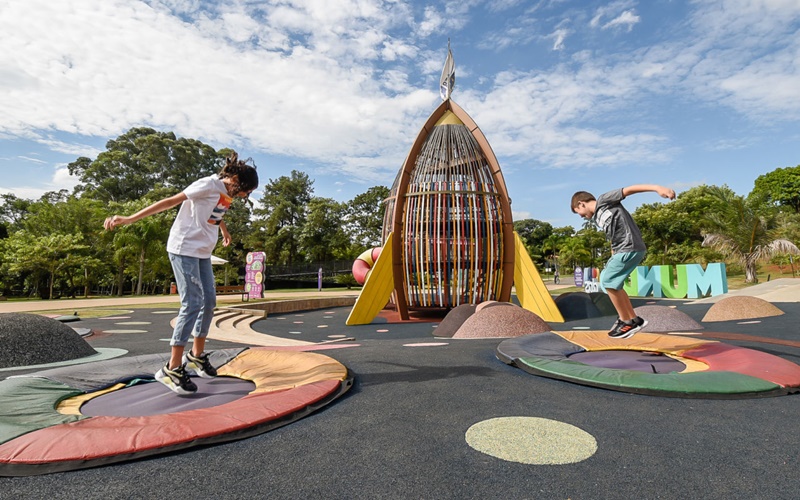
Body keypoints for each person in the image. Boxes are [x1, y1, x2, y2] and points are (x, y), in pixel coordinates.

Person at [104, 152, 258, 394]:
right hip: (184, 248)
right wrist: (130, 219)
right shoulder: (207, 184)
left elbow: (214, 213)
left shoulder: (224, 193)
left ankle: (196, 356)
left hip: (203, 252)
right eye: (246, 190)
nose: (246, 195)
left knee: (209, 302)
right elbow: (170, 201)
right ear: (236, 179)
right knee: (193, 302)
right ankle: (172, 368)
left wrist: (225, 232)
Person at [571, 184, 675, 339]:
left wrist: (658, 188)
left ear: (581, 204)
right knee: (611, 282)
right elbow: (615, 235)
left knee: (607, 281)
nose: (581, 216)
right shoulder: (599, 216)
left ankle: (625, 321)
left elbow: (628, 190)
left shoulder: (603, 201)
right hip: (623, 249)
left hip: (630, 247)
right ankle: (634, 319)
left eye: (578, 212)